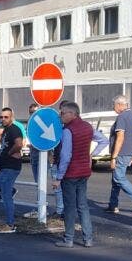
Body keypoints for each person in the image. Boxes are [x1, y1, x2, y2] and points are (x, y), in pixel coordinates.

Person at [53, 102, 96, 248]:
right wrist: (91, 155)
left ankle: (69, 239)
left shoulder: (68, 130)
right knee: (83, 205)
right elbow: (102, 140)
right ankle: (88, 239)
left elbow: (65, 156)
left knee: (70, 207)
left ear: (72, 114)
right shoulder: (87, 127)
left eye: (63, 113)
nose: (61, 115)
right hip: (84, 171)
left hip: (70, 173)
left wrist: (59, 177)